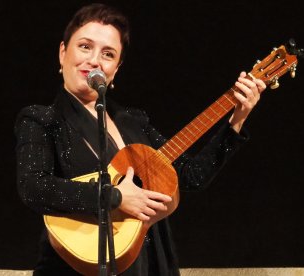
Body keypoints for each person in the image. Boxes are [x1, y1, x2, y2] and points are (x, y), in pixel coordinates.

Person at [14, 3, 266, 276]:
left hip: (146, 263)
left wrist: (236, 120)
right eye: (85, 46)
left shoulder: (132, 122)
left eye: (108, 54)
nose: (95, 60)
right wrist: (116, 197)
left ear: (116, 69)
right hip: (73, 267)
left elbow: (192, 176)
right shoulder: (41, 119)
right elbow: (34, 187)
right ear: (63, 53)